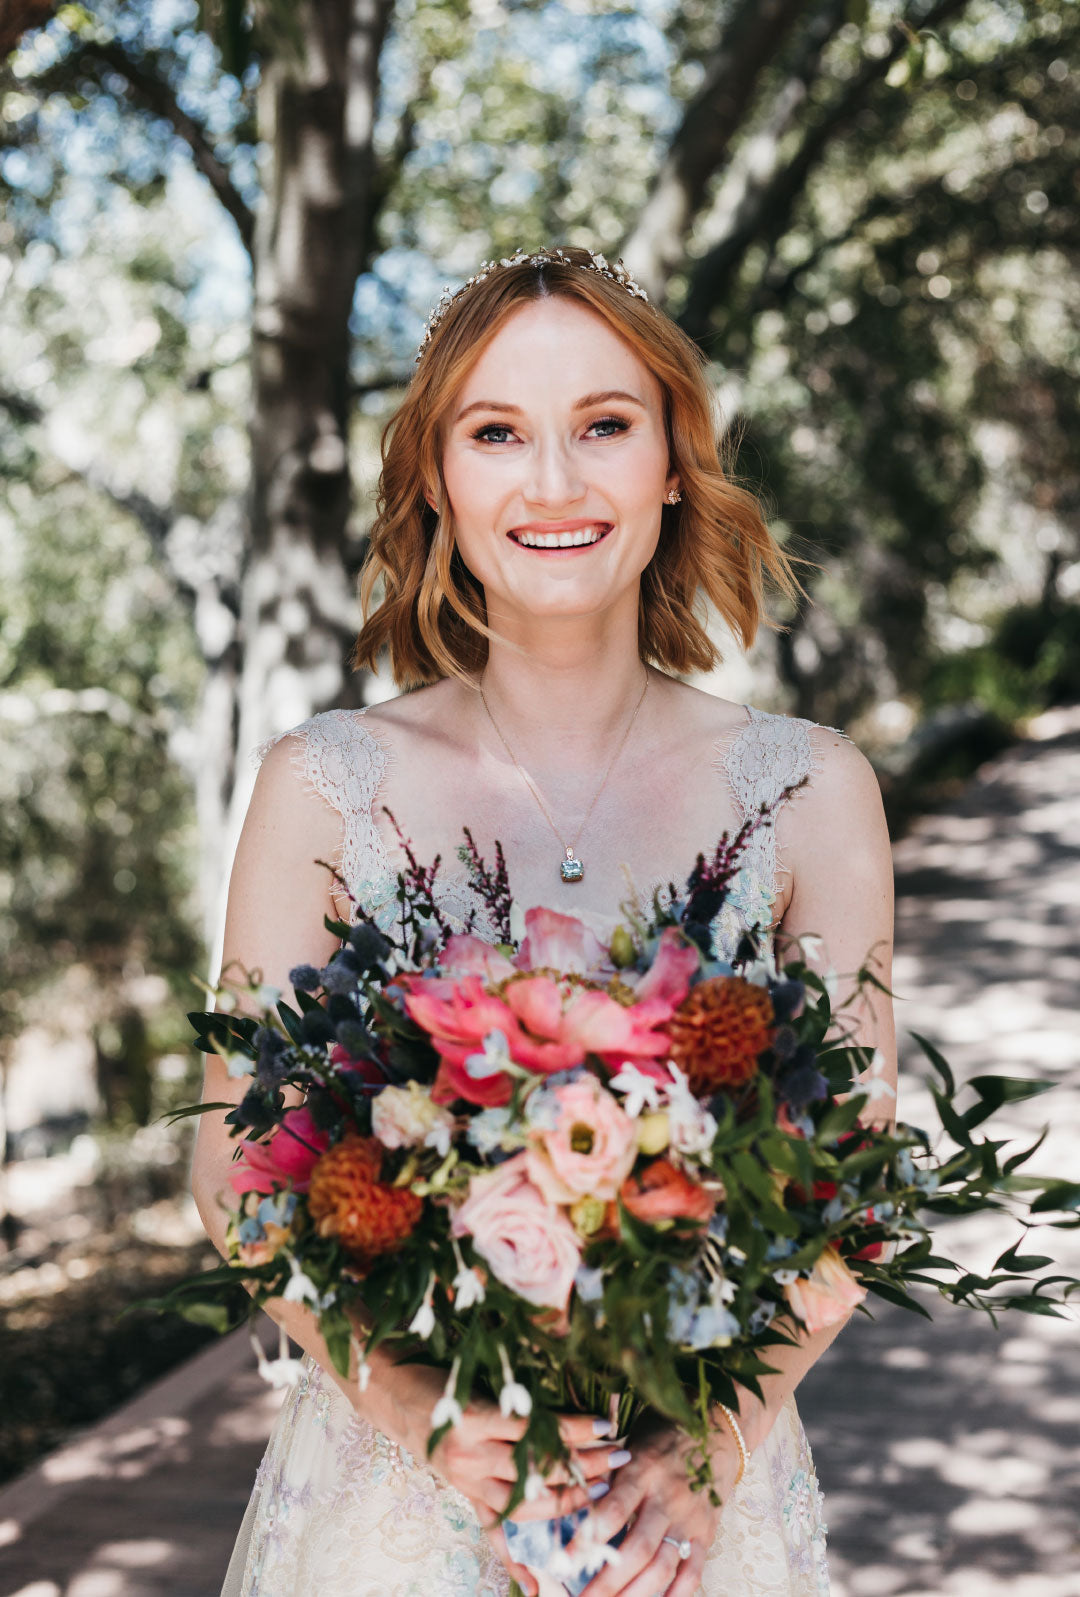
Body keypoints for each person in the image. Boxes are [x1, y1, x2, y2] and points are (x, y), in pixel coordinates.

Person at [193, 245, 897, 1597]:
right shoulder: (325, 787)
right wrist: (417, 1412)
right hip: (394, 1505)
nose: (557, 483)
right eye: (499, 431)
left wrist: (714, 1442)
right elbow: (237, 1169)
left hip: (692, 1515)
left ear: (674, 461)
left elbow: (847, 1185)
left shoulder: (812, 791)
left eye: (605, 426)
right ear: (437, 477)